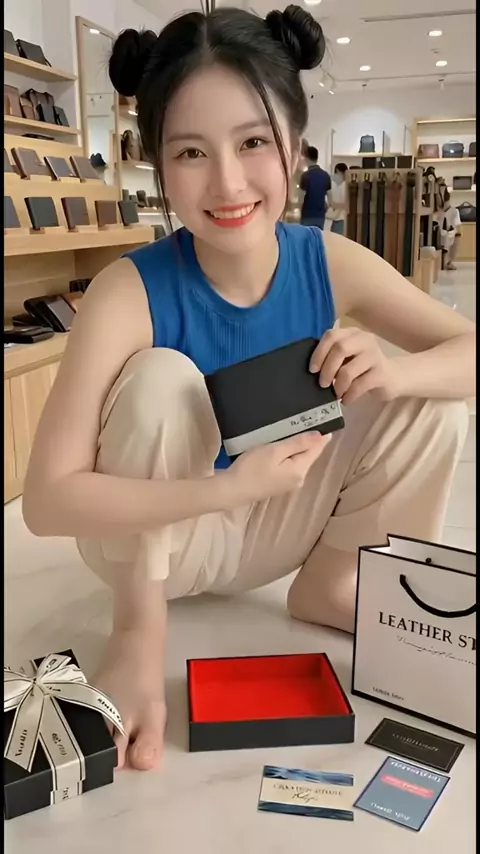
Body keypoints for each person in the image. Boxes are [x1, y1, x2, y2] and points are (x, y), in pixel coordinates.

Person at [23, 6, 474, 773]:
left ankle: (338, 584)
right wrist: (227, 491)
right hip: (161, 544)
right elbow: (46, 501)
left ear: (295, 144)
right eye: (191, 152)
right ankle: (138, 631)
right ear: (159, 164)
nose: (228, 182)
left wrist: (394, 372)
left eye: (254, 142)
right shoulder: (128, 290)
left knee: (430, 396)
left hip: (280, 528)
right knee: (163, 380)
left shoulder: (327, 260)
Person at [299, 145, 331, 229]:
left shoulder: (305, 176)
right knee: (318, 235)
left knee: (306, 236)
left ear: (306, 158)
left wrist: (299, 212)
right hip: (320, 216)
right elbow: (330, 200)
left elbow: (301, 199)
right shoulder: (326, 175)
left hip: (307, 216)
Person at [438, 190, 462, 271]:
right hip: (438, 232)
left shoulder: (454, 211)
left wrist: (454, 232)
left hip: (449, 233)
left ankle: (449, 261)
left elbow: (457, 227)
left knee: (456, 235)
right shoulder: (436, 210)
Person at [326, 162, 348, 235]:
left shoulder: (343, 185)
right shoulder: (340, 185)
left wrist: (334, 205)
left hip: (339, 218)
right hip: (337, 218)